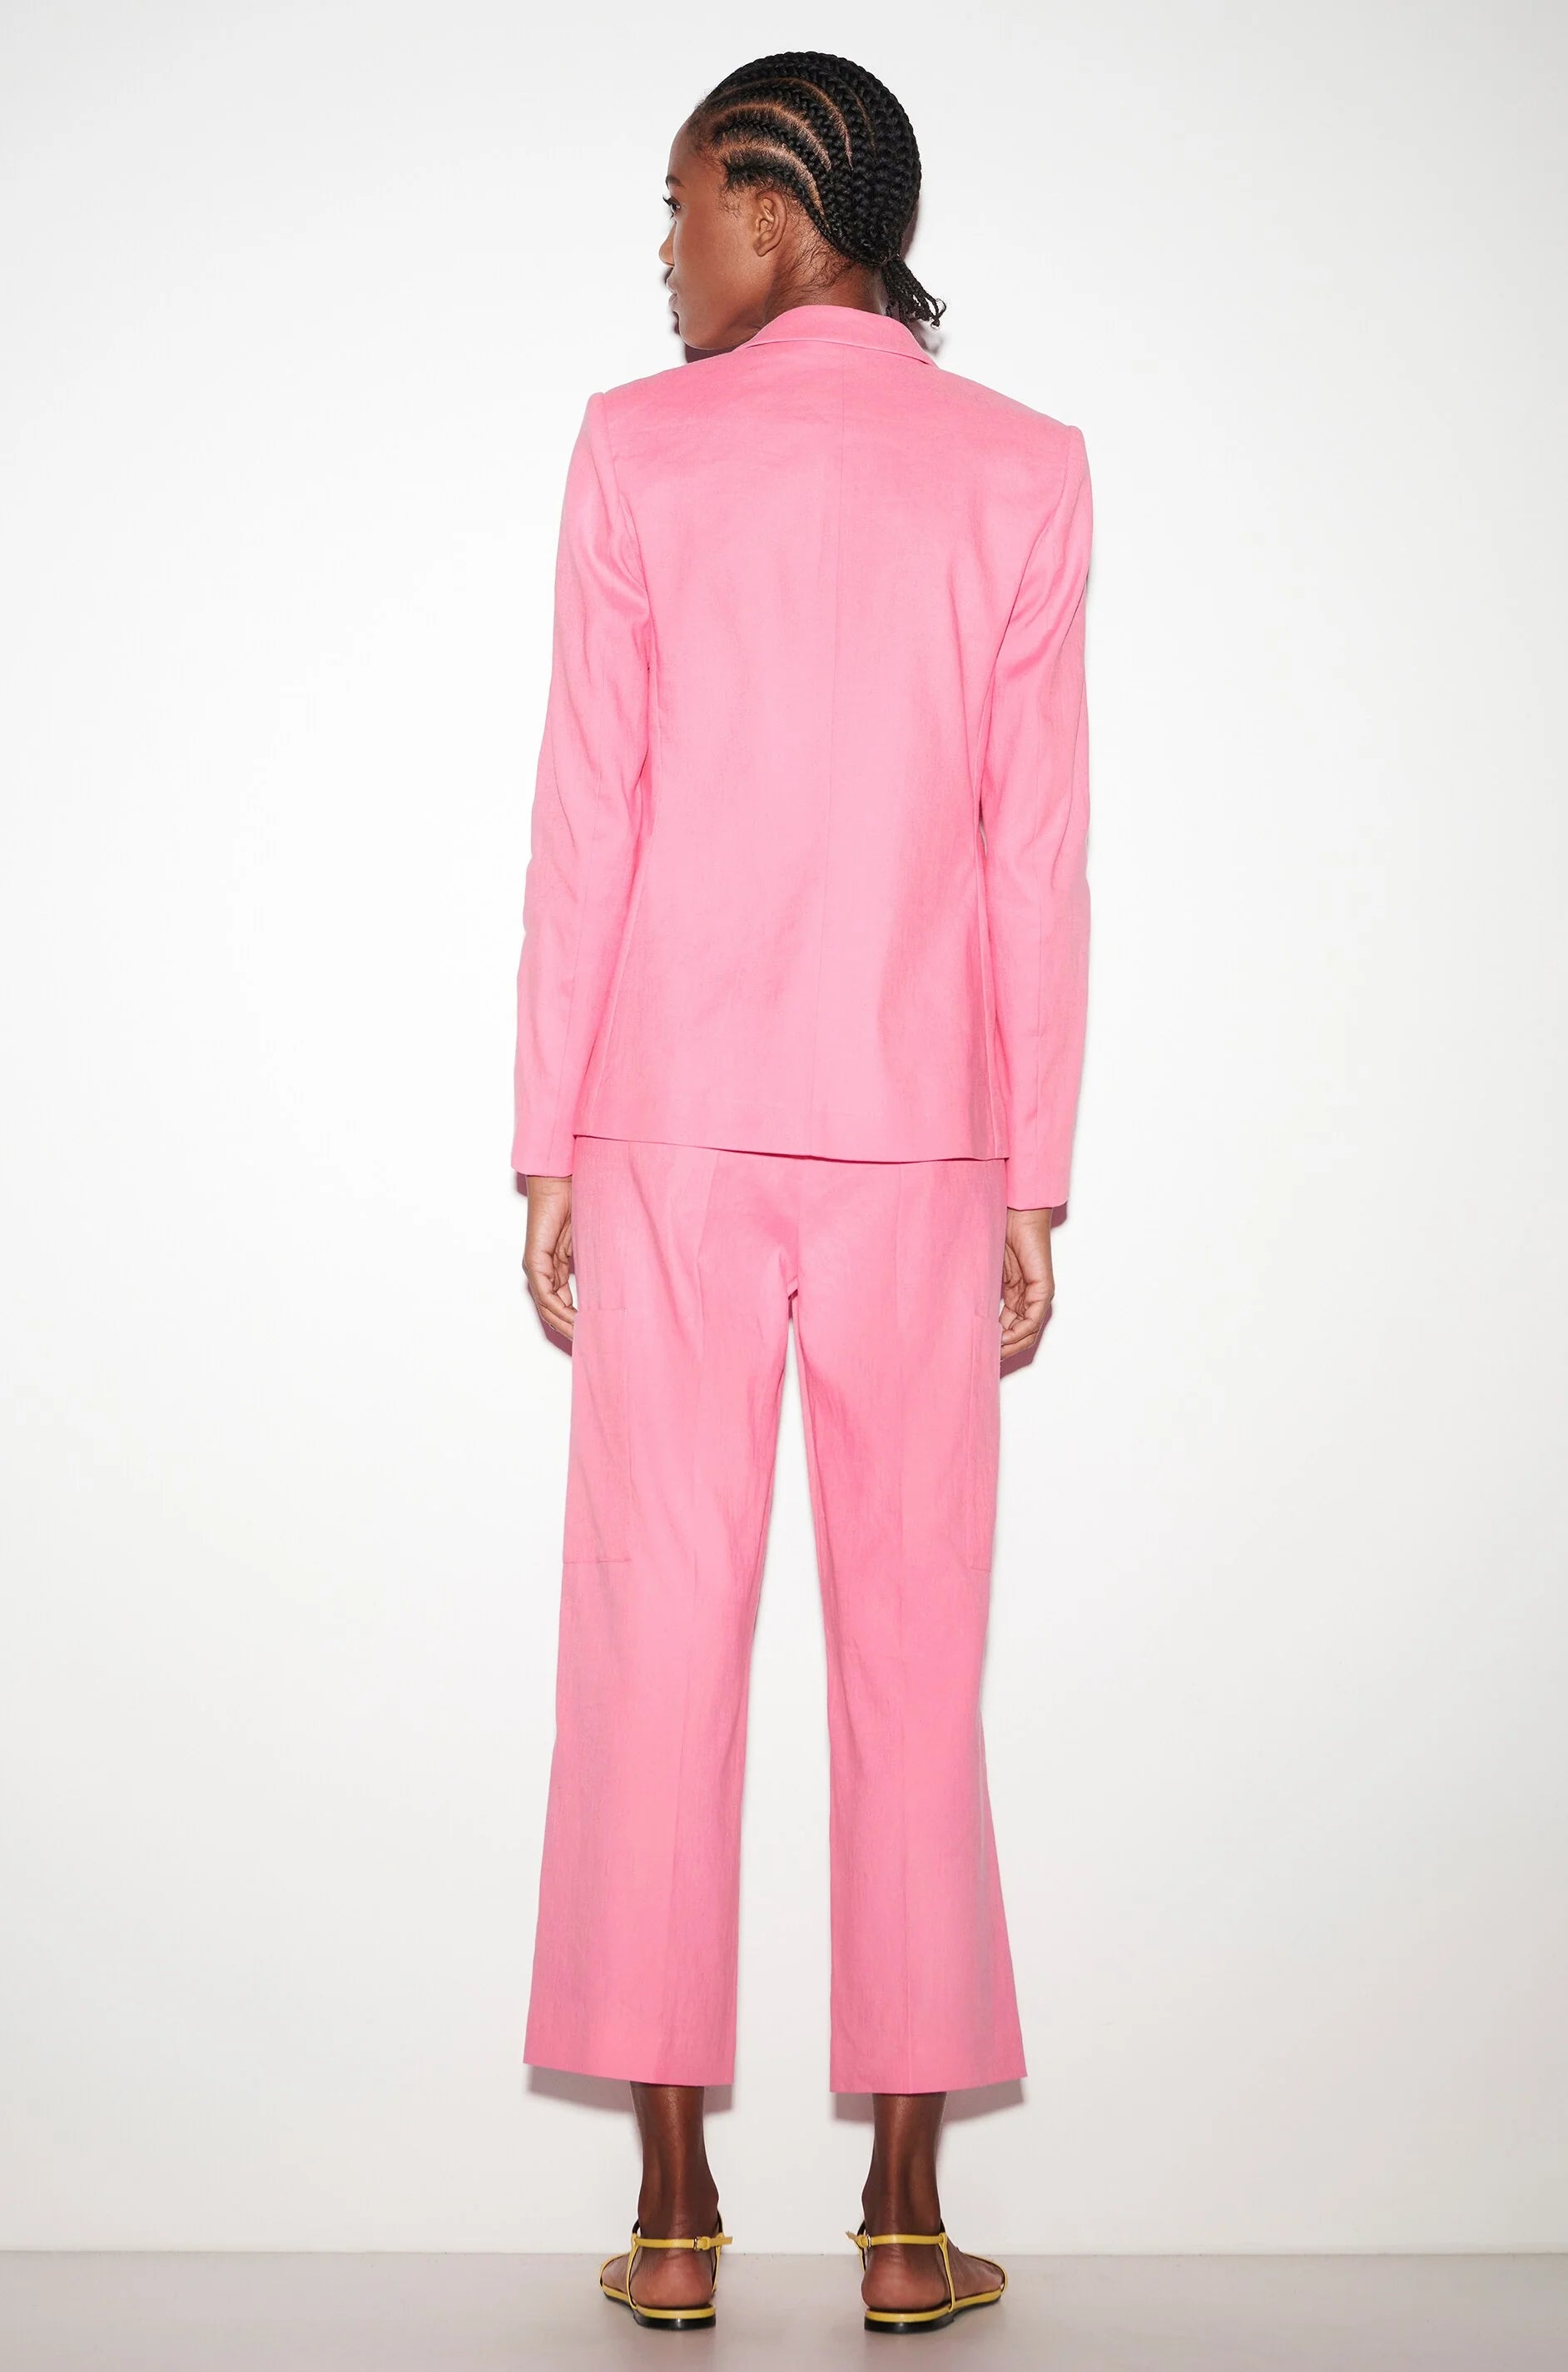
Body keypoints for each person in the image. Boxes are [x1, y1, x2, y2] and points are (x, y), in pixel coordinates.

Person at [509, 50, 1092, 2336]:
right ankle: (903, 2222)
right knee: (913, 1663)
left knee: (651, 1648)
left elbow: (588, 814)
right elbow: (1032, 847)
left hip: (666, 1120)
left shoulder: (634, 449)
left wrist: (547, 1135)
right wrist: (1034, 1170)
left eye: (680, 207)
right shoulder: (1022, 468)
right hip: (923, 1133)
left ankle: (672, 2215)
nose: (664, 253)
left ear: (773, 210)